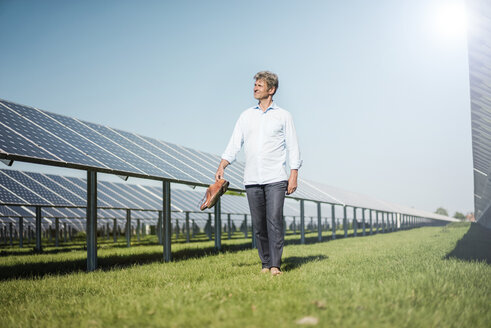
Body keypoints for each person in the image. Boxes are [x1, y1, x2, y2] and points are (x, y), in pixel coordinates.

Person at [215, 71, 302, 276]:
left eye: (260, 85)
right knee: (259, 224)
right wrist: (222, 165)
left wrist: (294, 174)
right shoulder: (246, 116)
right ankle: (265, 263)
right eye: (255, 85)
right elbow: (234, 143)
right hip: (252, 179)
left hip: (276, 178)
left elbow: (293, 146)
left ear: (271, 90)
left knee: (274, 220)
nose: (255, 88)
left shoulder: (284, 116)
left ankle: (275, 266)